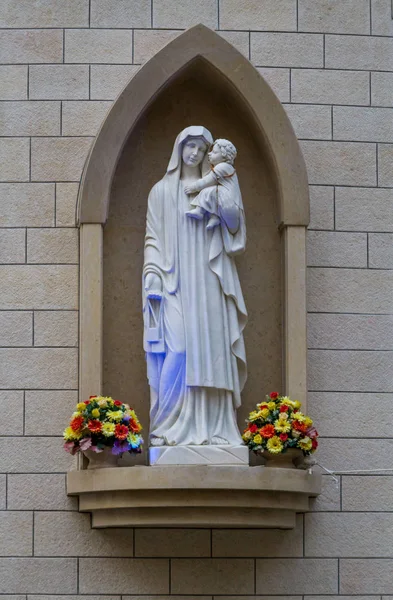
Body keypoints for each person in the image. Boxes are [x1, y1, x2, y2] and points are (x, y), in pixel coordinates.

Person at [143, 126, 247, 446]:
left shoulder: (218, 184)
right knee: (180, 348)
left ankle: (216, 428)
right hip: (174, 280)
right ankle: (167, 423)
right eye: (190, 146)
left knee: (213, 349)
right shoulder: (160, 192)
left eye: (202, 150)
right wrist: (152, 273)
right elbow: (153, 239)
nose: (195, 154)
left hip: (209, 277)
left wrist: (225, 195)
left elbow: (234, 225)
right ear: (179, 147)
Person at [185, 139, 240, 231]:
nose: (209, 154)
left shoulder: (223, 167)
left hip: (229, 203)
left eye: (214, 152)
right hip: (227, 204)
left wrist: (194, 187)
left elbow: (207, 181)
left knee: (208, 191)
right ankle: (215, 217)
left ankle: (199, 211)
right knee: (214, 195)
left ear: (224, 156)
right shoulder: (226, 168)